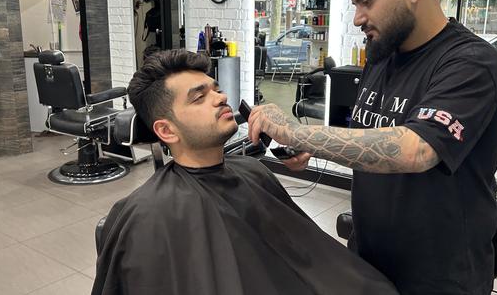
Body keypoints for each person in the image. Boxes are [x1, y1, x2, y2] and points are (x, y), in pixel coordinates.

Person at [247, 0, 497, 295]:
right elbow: (374, 130)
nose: (357, 18)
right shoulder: (382, 53)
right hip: (369, 264)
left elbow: (417, 149)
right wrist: (315, 148)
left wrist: (296, 133)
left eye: (367, 1)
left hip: (441, 279)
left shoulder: (471, 62)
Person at [91, 50, 398, 295]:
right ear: (166, 130)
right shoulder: (145, 217)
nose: (221, 97)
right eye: (199, 97)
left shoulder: (253, 172)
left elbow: (308, 260)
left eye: (217, 89)